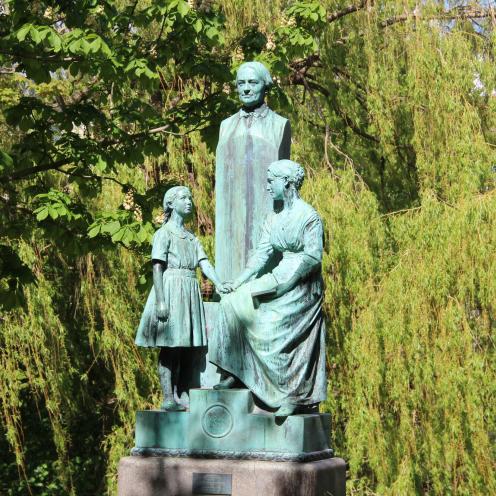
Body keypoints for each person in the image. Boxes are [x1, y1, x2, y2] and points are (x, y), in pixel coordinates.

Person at [210, 160, 327, 416]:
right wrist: (237, 283)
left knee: (275, 325)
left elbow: (313, 257)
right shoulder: (274, 219)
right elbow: (261, 255)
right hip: (279, 275)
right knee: (230, 303)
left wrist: (288, 285)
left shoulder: (309, 216)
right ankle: (235, 371)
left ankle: (292, 393)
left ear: (287, 182)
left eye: (271, 181)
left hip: (302, 284)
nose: (267, 187)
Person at [135, 186, 228, 411]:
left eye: (190, 197)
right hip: (171, 290)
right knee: (170, 346)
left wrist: (219, 283)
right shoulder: (163, 234)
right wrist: (161, 301)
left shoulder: (191, 238)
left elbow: (204, 263)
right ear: (170, 204)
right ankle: (168, 397)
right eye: (183, 198)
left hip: (189, 290)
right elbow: (157, 268)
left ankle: (182, 393)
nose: (189, 202)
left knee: (186, 347)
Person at [215, 61, 291, 282]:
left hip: (265, 223)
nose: (246, 88)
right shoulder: (225, 126)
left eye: (252, 82)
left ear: (265, 86)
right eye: (241, 83)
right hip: (229, 227)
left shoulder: (280, 125)